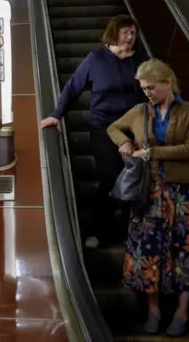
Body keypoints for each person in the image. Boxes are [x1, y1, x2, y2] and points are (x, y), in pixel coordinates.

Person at [106, 59, 189, 336]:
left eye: (152, 87)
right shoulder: (140, 111)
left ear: (168, 83)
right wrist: (125, 141)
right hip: (150, 191)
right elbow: (113, 127)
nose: (147, 93)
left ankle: (182, 312)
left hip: (183, 192)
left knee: (188, 251)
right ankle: (154, 310)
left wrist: (152, 153)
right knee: (148, 251)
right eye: (143, 88)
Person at [39, 15, 150, 248]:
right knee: (111, 176)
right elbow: (73, 88)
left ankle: (127, 232)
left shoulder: (142, 60)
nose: (130, 37)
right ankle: (98, 230)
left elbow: (158, 87)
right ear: (114, 33)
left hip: (136, 127)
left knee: (136, 177)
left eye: (133, 33)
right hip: (103, 126)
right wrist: (57, 114)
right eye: (125, 32)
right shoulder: (96, 59)